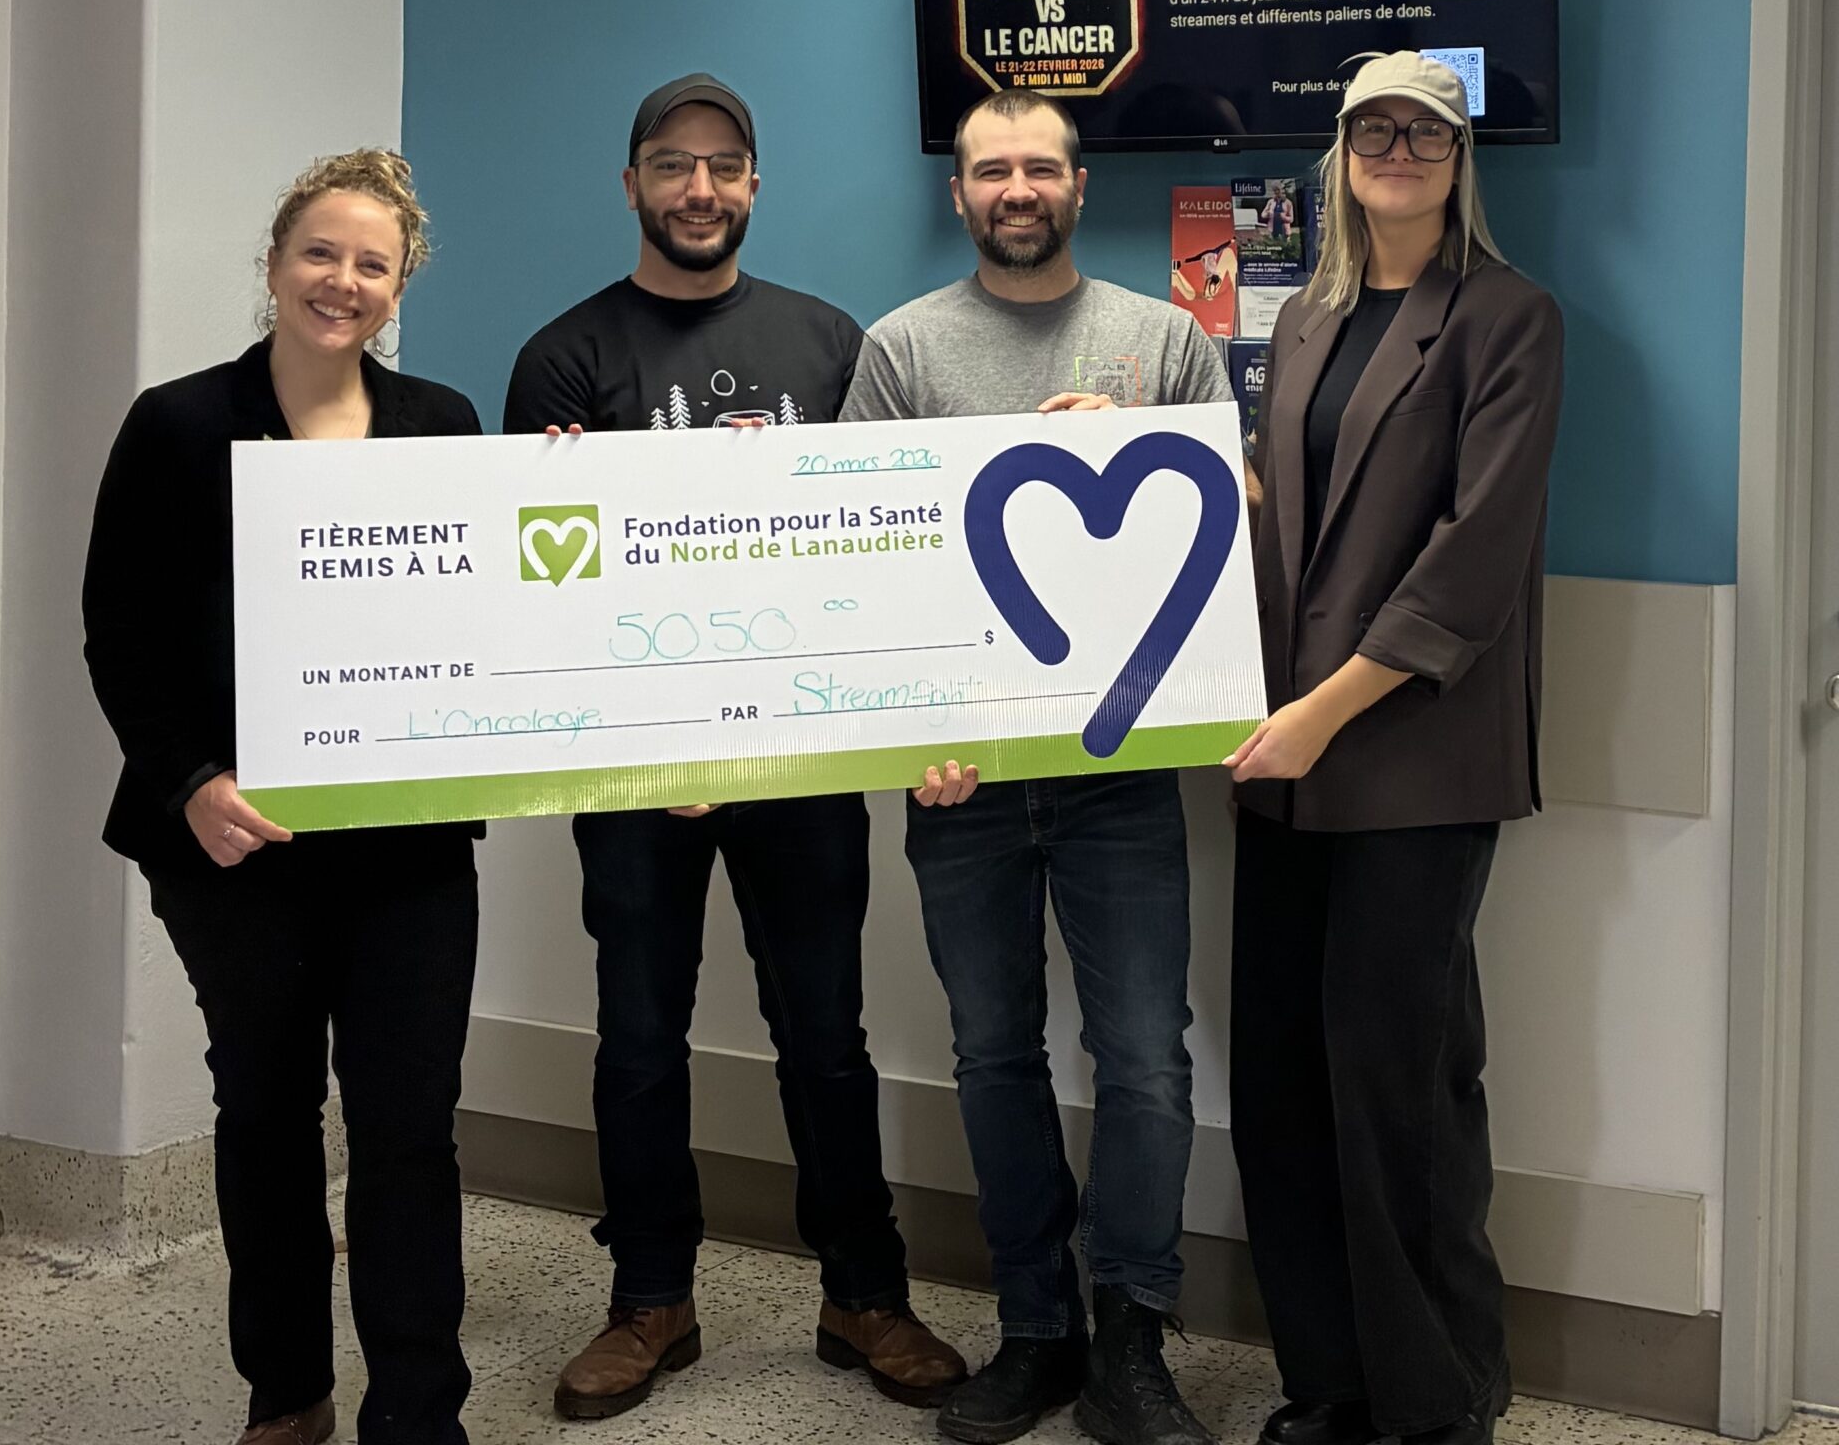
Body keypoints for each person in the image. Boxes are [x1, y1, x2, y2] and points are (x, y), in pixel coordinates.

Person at [503, 74, 966, 1421]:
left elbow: (890, 547)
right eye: (671, 164)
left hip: (800, 765)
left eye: (723, 166)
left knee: (826, 1034)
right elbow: (545, 583)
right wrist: (659, 743)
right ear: (633, 185)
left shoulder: (833, 345)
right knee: (639, 1035)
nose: (698, 188)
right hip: (637, 771)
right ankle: (651, 1300)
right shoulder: (564, 358)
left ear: (756, 186)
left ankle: (863, 1297)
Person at [839, 86, 1234, 1445]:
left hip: (1123, 774)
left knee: (1147, 1061)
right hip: (961, 779)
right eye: (990, 168)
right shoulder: (900, 350)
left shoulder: (1164, 340)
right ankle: (1035, 1330)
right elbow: (868, 569)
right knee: (993, 1052)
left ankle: (1132, 1334)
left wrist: (1119, 449)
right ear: (960, 195)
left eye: (1040, 167)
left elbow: (1220, 546)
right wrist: (913, 736)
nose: (1016, 187)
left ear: (1080, 186)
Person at [82, 151, 484, 1445]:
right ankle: (290, 1394)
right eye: (321, 252)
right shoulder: (179, 424)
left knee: (409, 1127)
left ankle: (418, 1412)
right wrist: (189, 782)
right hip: (230, 842)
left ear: (398, 286)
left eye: (373, 263)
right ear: (272, 265)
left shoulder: (442, 424)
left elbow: (484, 612)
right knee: (265, 1113)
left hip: (406, 845)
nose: (343, 281)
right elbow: (118, 632)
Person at [1222, 53, 1563, 1445]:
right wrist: (1143, 464)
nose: (1398, 148)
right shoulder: (1303, 322)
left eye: (1423, 128)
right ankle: (1329, 1385)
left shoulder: (1509, 320)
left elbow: (1470, 567)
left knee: (1400, 1093)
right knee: (1285, 1079)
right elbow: (1283, 531)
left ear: (1459, 151)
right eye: (1373, 128)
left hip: (1407, 763)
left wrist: (1317, 713)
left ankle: (1434, 1406)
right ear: (1340, 152)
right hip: (1284, 772)